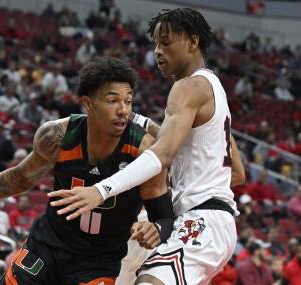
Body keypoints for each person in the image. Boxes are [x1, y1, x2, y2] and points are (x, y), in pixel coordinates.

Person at [0, 57, 173, 285]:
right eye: (112, 100)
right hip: (48, 245)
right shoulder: (57, 136)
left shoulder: (143, 149)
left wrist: (156, 228)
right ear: (88, 103)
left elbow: (163, 215)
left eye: (128, 101)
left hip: (98, 261)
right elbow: (19, 178)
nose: (123, 110)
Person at [49, 8, 245, 285]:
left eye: (166, 43)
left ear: (193, 42)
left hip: (202, 220)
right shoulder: (214, 90)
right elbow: (237, 173)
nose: (157, 51)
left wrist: (101, 190)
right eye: (155, 44)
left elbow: (162, 155)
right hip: (208, 221)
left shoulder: (189, 87)